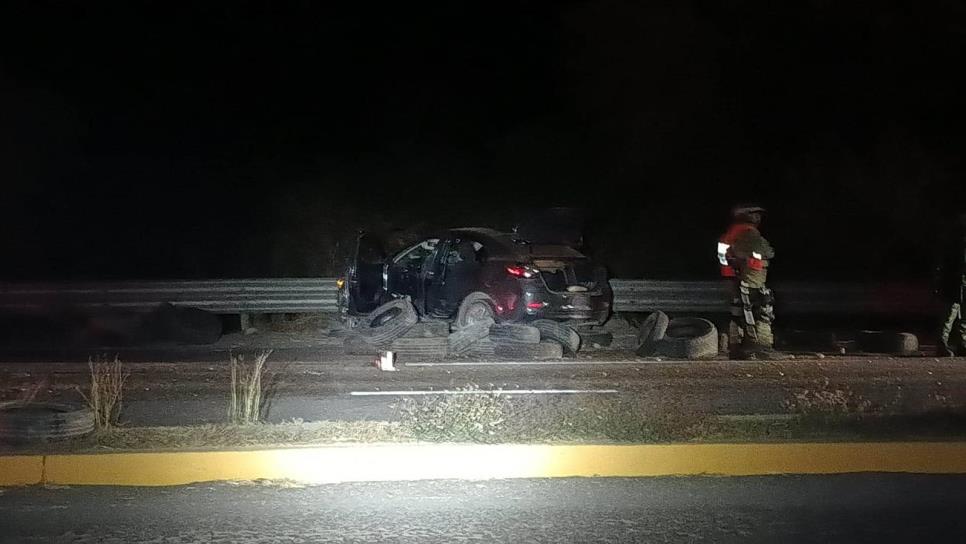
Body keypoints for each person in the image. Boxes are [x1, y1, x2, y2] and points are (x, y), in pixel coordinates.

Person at [717, 205, 779, 359]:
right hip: (751, 275)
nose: (758, 218)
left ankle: (736, 347)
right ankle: (761, 346)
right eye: (754, 214)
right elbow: (767, 252)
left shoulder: (732, 233)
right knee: (761, 309)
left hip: (733, 277)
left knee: (738, 312)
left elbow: (724, 257)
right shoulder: (749, 233)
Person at [938, 212, 966, 357]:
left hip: (961, 279)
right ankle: (942, 342)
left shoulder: (957, 239)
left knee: (962, 314)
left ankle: (961, 342)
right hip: (956, 280)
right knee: (951, 311)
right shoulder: (956, 240)